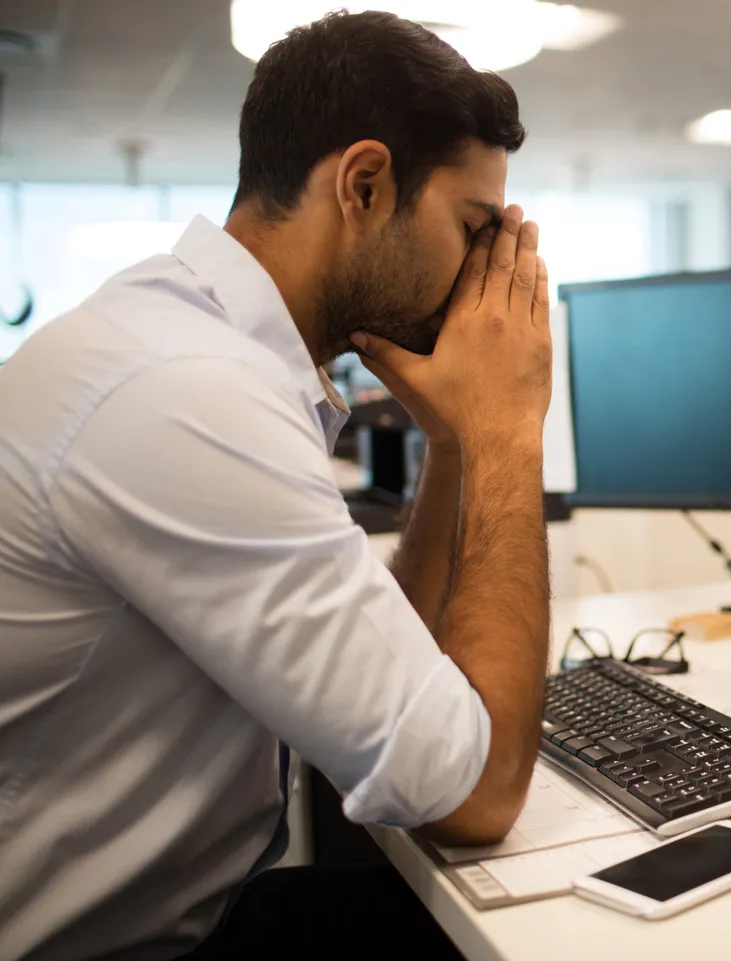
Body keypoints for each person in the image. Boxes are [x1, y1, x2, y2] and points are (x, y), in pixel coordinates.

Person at [0, 11, 552, 960]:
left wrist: (458, 443)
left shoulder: (197, 346)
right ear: (365, 184)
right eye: (472, 229)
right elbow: (475, 790)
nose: (481, 276)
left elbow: (414, 683)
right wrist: (510, 433)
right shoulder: (188, 394)